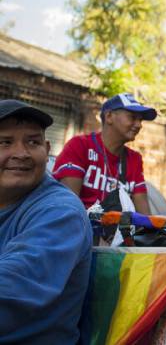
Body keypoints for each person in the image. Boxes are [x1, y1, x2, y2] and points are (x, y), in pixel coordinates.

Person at [0, 100, 92, 343]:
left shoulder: (61, 211)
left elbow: (12, 288)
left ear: (47, 149)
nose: (21, 153)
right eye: (5, 142)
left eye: (33, 142)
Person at [53, 92, 156, 214]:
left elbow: (144, 216)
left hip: (119, 231)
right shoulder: (80, 146)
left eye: (140, 120)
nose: (139, 125)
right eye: (132, 117)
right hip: (78, 228)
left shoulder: (134, 159)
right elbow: (68, 208)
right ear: (109, 116)